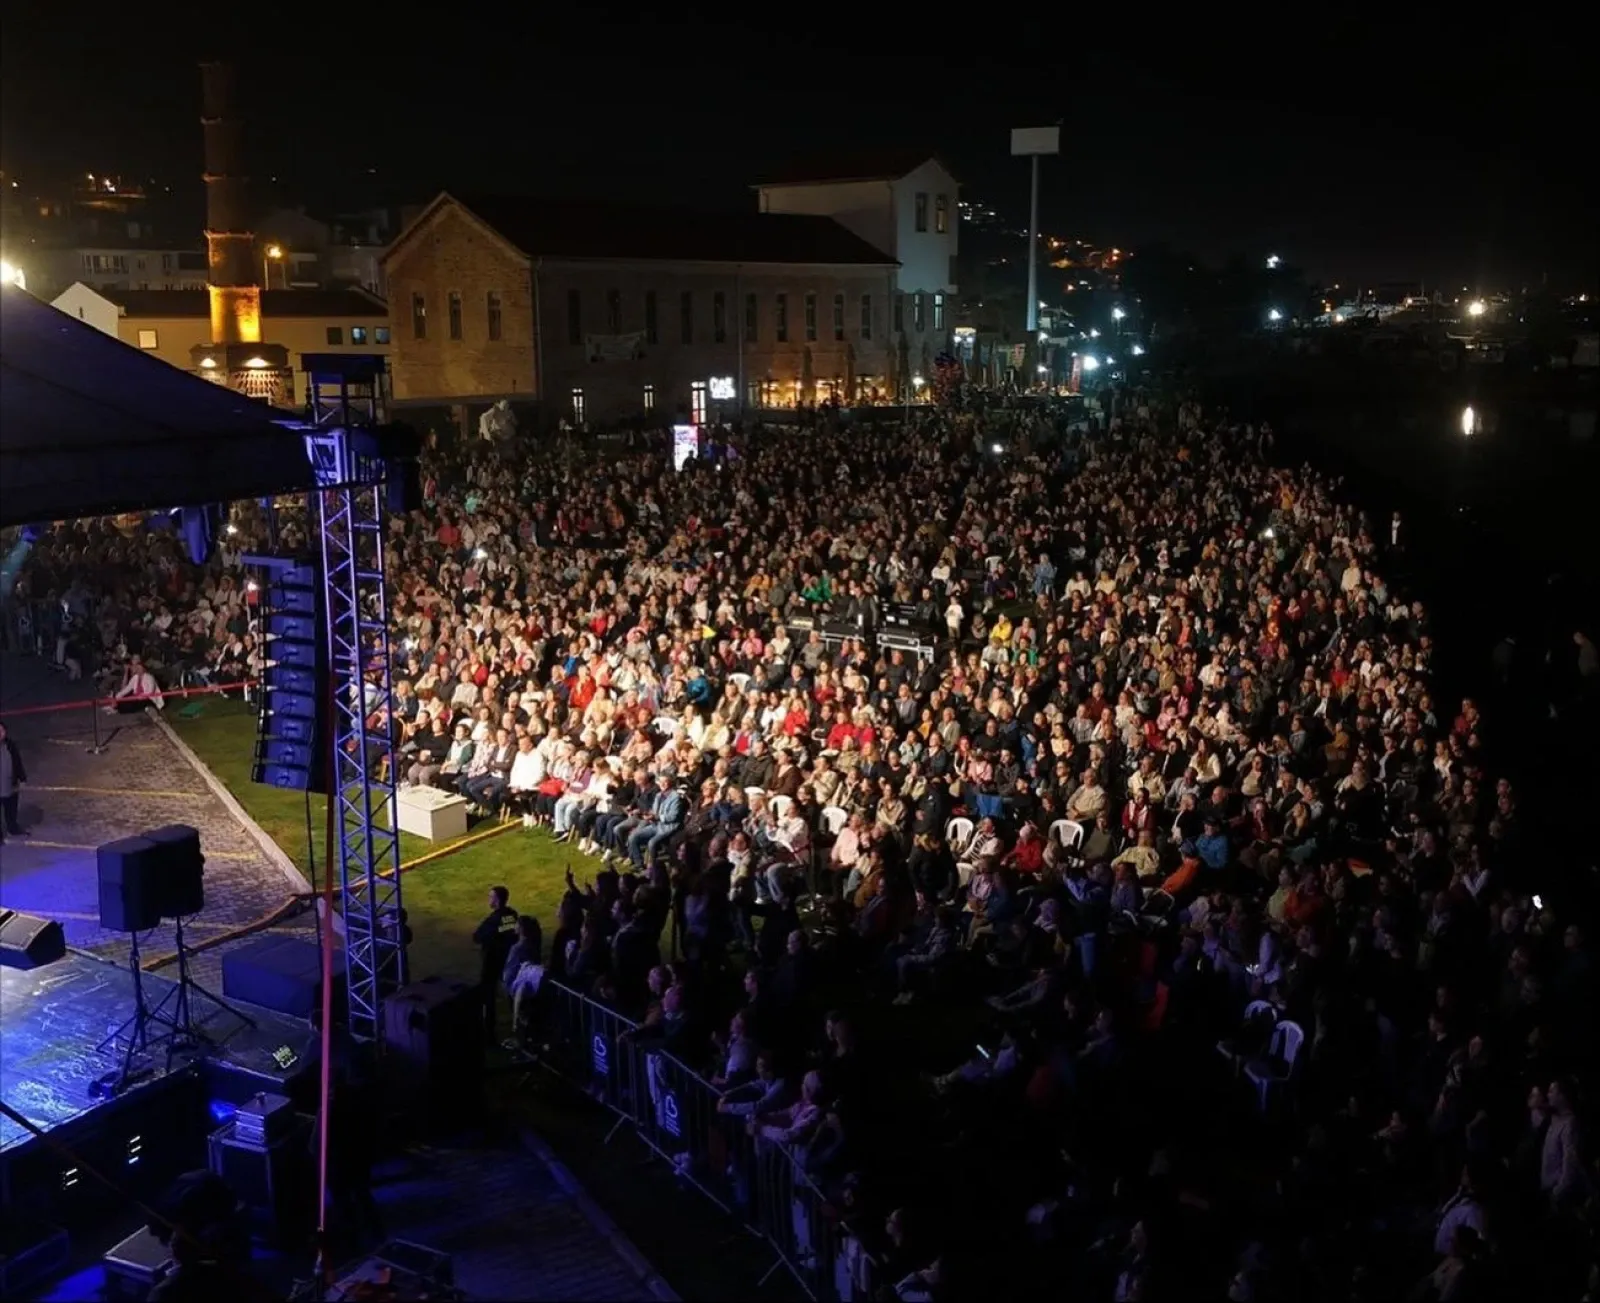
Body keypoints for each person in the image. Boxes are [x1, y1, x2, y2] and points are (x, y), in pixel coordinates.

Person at [472, 885, 519, 1045]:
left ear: (497, 900)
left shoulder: (493, 920)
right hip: (508, 960)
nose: (488, 899)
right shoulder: (512, 915)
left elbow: (477, 937)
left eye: (491, 897)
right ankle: (517, 1024)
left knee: (488, 997)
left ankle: (489, 1034)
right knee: (511, 993)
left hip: (492, 962)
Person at [0, 720, 26, 843]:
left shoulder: (11, 745)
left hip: (10, 785)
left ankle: (13, 828)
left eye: (1, 731)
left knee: (11, 809)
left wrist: (22, 778)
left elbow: (17, 762)